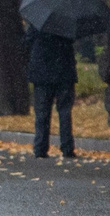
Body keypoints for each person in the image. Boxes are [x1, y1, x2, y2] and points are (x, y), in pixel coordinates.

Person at [27, 18, 78, 159]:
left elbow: (27, 41)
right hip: (64, 73)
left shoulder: (37, 22)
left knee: (42, 113)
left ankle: (40, 147)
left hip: (42, 74)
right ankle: (67, 147)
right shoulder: (66, 23)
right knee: (65, 112)